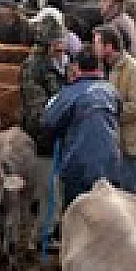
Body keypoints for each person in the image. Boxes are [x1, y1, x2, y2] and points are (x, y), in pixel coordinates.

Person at [42, 50, 126, 201]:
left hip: (79, 168)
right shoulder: (111, 90)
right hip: (110, 165)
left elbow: (48, 122)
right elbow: (120, 113)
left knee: (77, 213)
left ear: (76, 67)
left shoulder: (69, 93)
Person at [19, 20, 68, 242]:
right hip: (43, 140)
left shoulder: (55, 64)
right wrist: (56, 124)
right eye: (57, 43)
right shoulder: (34, 68)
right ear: (47, 44)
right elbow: (37, 111)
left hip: (55, 136)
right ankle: (42, 237)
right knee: (48, 191)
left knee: (54, 190)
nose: (62, 48)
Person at [93, 26, 136, 190]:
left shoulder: (134, 71)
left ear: (108, 47)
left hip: (127, 144)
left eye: (97, 43)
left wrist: (107, 113)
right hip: (113, 141)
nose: (93, 47)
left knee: (126, 192)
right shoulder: (105, 68)